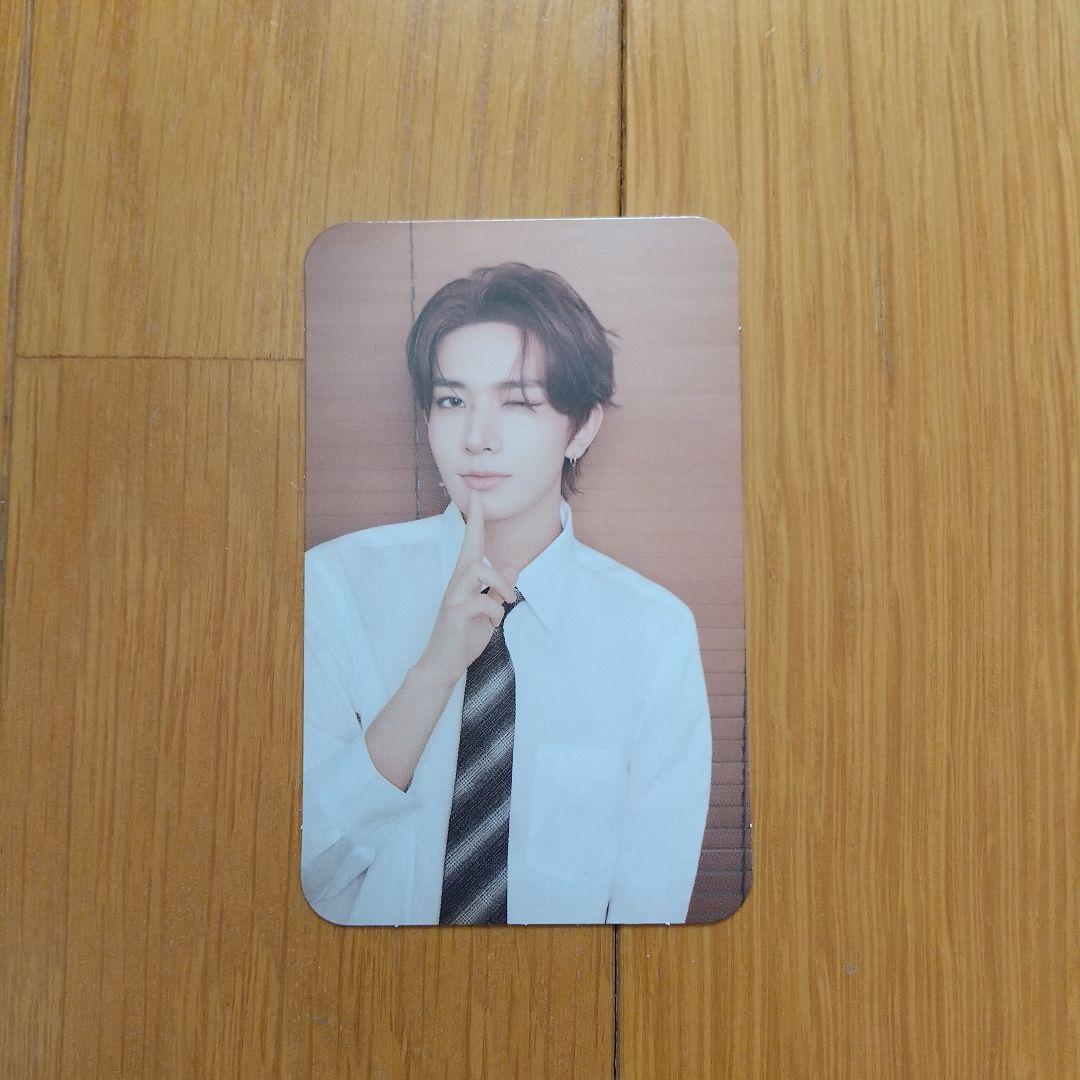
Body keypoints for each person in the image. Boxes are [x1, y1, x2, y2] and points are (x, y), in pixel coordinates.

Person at [302, 262, 711, 925]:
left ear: (581, 427)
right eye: (452, 401)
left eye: (518, 402)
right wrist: (433, 674)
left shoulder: (654, 634)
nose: (477, 438)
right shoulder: (333, 588)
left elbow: (647, 914)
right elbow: (305, 870)